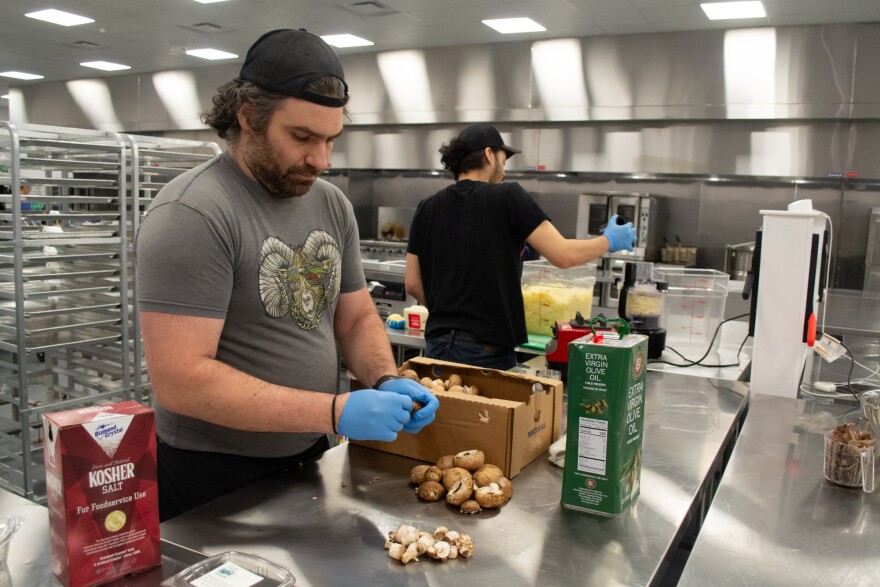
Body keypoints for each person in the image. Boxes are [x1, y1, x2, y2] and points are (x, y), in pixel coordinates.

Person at [135, 29, 439, 521]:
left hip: (310, 457)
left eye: (330, 140)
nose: (321, 160)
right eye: (302, 138)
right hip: (211, 477)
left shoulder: (330, 203)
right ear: (249, 117)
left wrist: (383, 377)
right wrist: (334, 410)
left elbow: (356, 316)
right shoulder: (193, 213)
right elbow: (181, 380)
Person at [405, 123, 636, 370]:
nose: (504, 170)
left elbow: (413, 283)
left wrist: (451, 314)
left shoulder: (426, 207)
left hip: (436, 345)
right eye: (504, 160)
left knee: (446, 408)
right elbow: (563, 255)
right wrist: (608, 240)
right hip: (485, 349)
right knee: (484, 410)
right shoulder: (507, 196)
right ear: (489, 155)